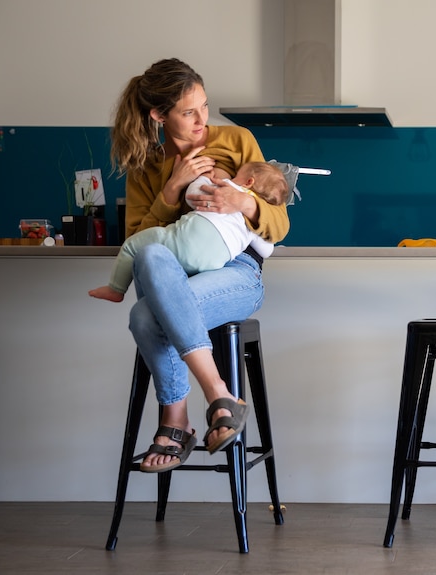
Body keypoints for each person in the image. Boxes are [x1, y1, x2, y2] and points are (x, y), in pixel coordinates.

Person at [107, 58, 289, 473]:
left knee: (143, 315)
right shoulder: (146, 166)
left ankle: (176, 421)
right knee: (151, 257)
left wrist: (244, 201)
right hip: (176, 276)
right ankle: (219, 394)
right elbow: (137, 240)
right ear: (158, 115)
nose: (201, 119)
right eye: (188, 112)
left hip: (238, 274)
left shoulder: (236, 140)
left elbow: (280, 225)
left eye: (204, 106)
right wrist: (171, 189)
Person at [88, 161, 289, 303]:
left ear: (249, 182)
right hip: (215, 264)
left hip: (182, 243)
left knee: (133, 245)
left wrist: (203, 178)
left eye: (238, 174)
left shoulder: (226, 186)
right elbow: (266, 250)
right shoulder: (253, 220)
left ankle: (116, 288)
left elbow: (193, 196)